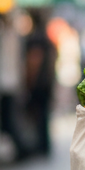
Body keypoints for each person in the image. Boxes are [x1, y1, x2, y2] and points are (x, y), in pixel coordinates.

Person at [20, 9, 56, 158]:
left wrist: (29, 81)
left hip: (39, 84)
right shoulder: (47, 38)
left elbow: (34, 61)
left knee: (38, 115)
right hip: (47, 82)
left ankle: (41, 146)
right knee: (44, 115)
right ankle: (44, 145)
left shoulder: (35, 38)